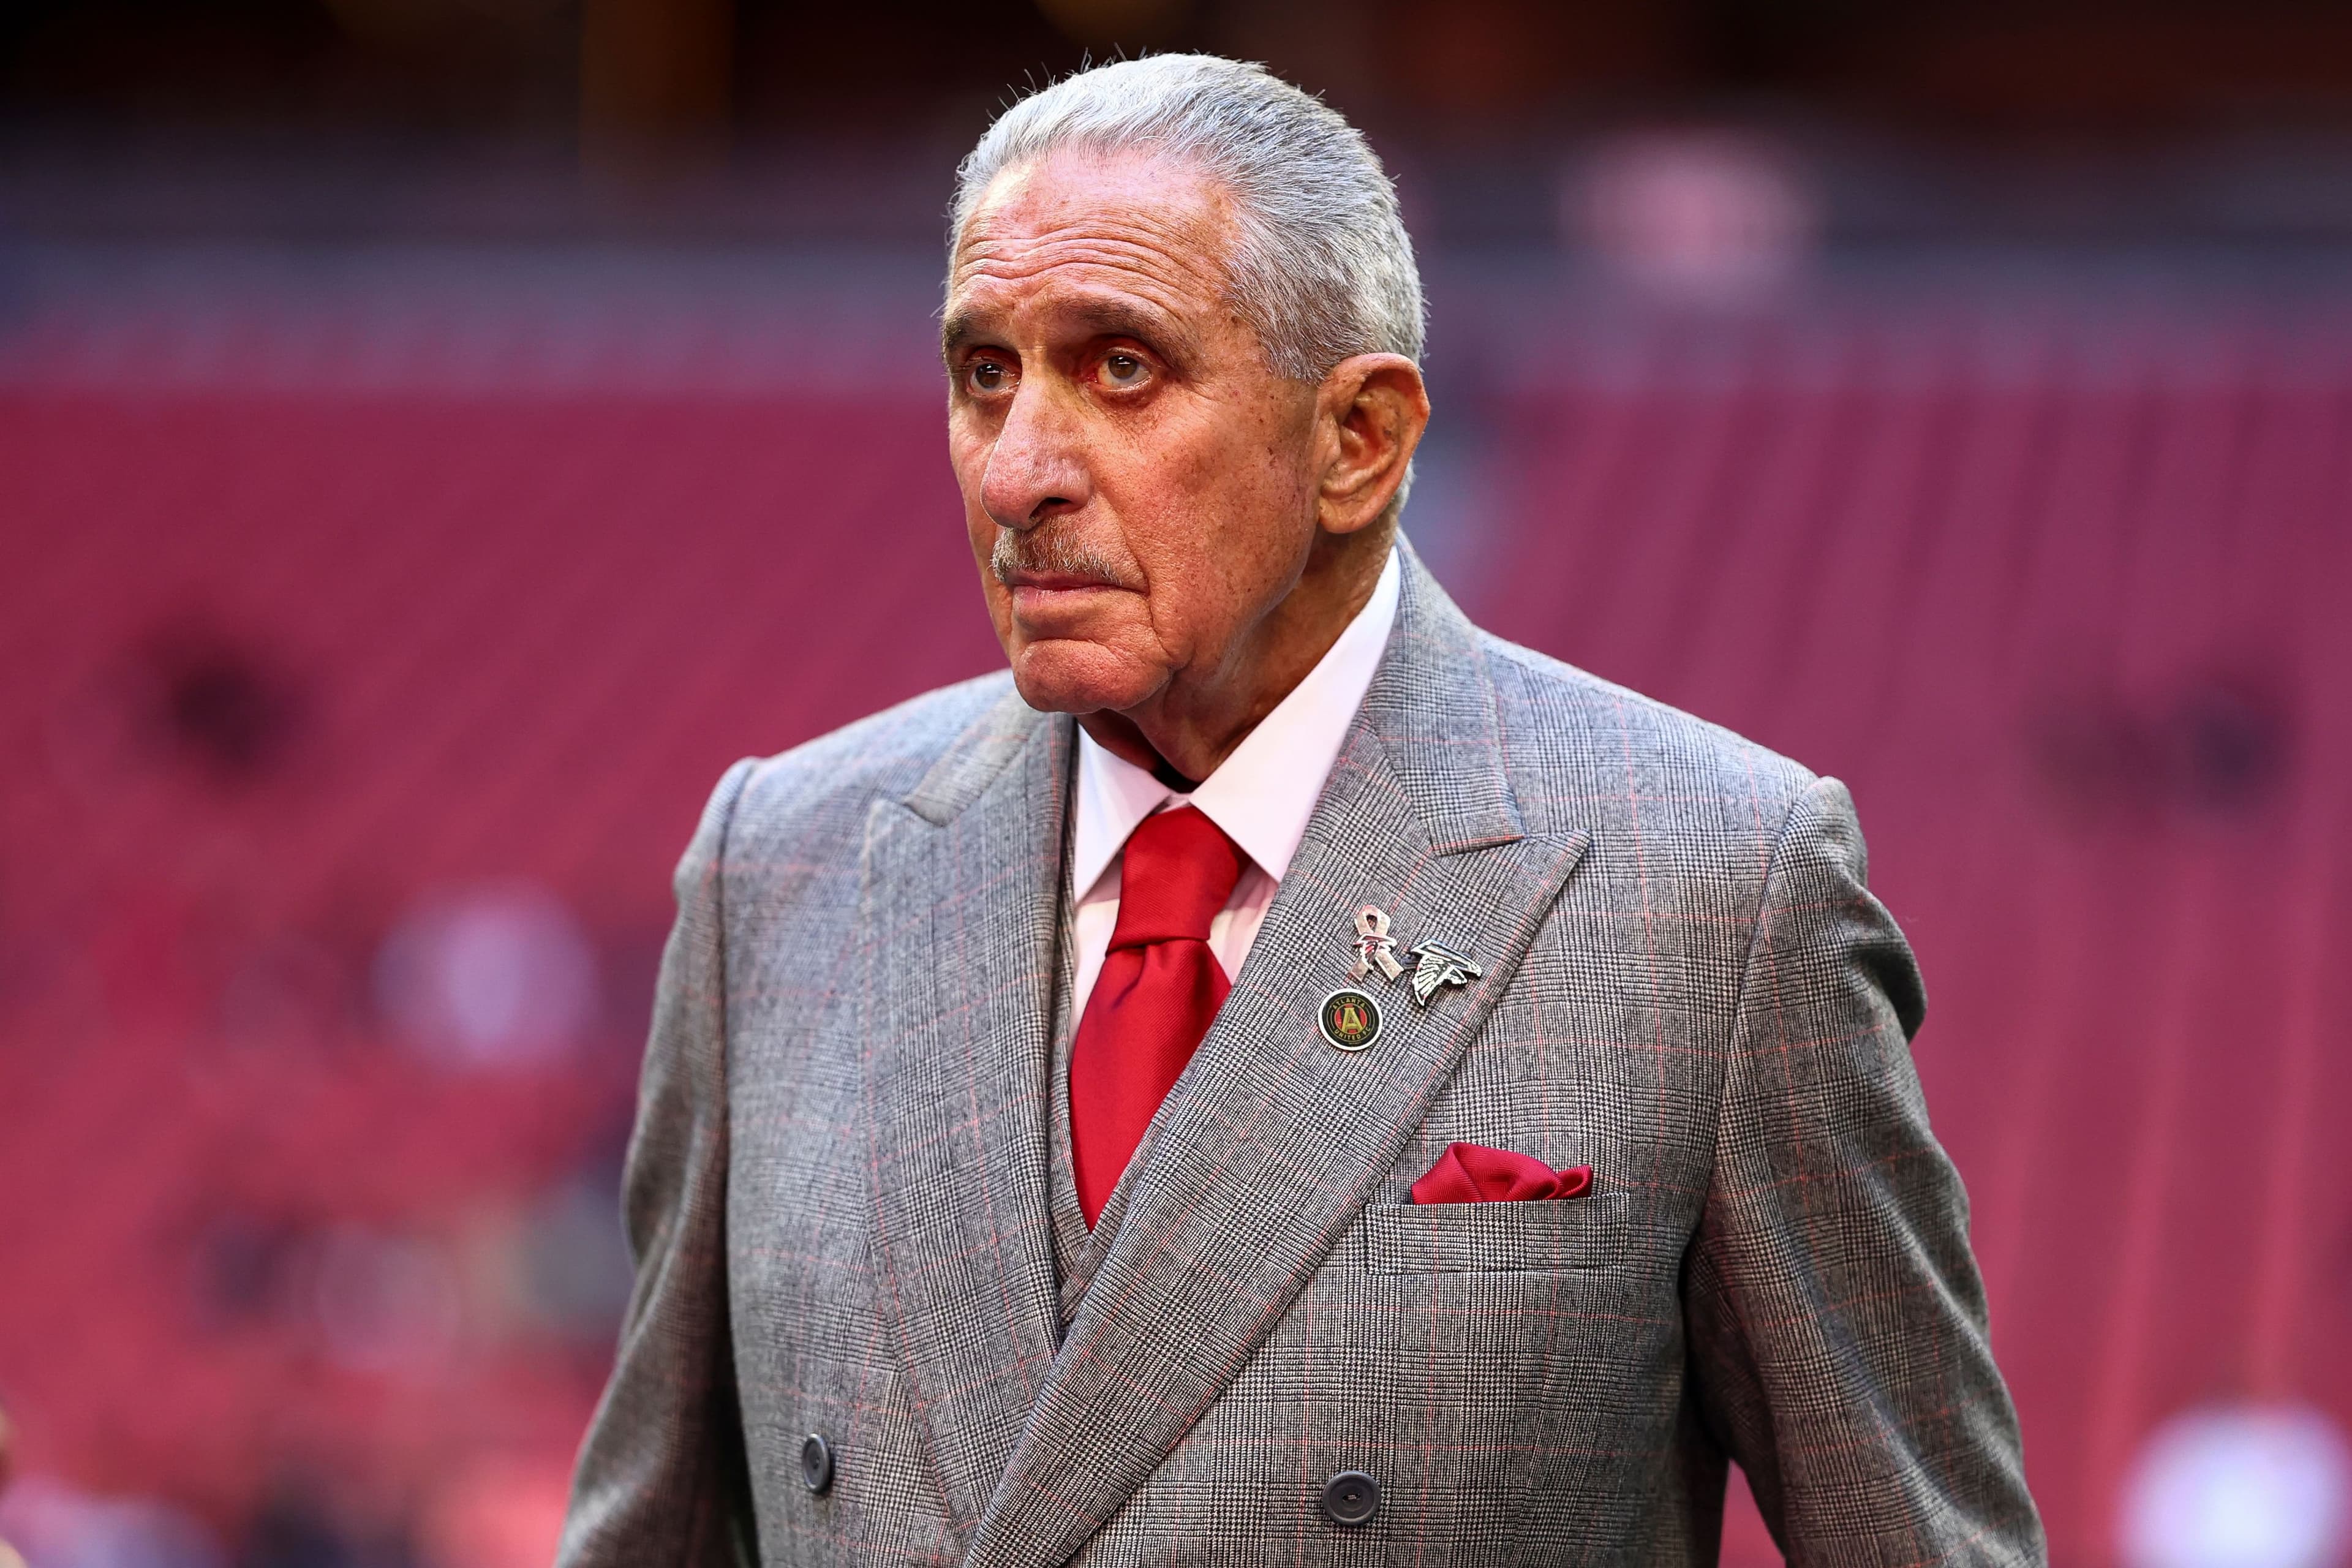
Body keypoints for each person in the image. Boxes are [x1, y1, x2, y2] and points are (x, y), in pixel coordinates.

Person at [557, 53, 2043, 1566]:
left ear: (1359, 443)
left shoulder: (1714, 892)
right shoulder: (783, 865)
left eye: (1120, 367)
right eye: (985, 373)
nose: (1016, 472)